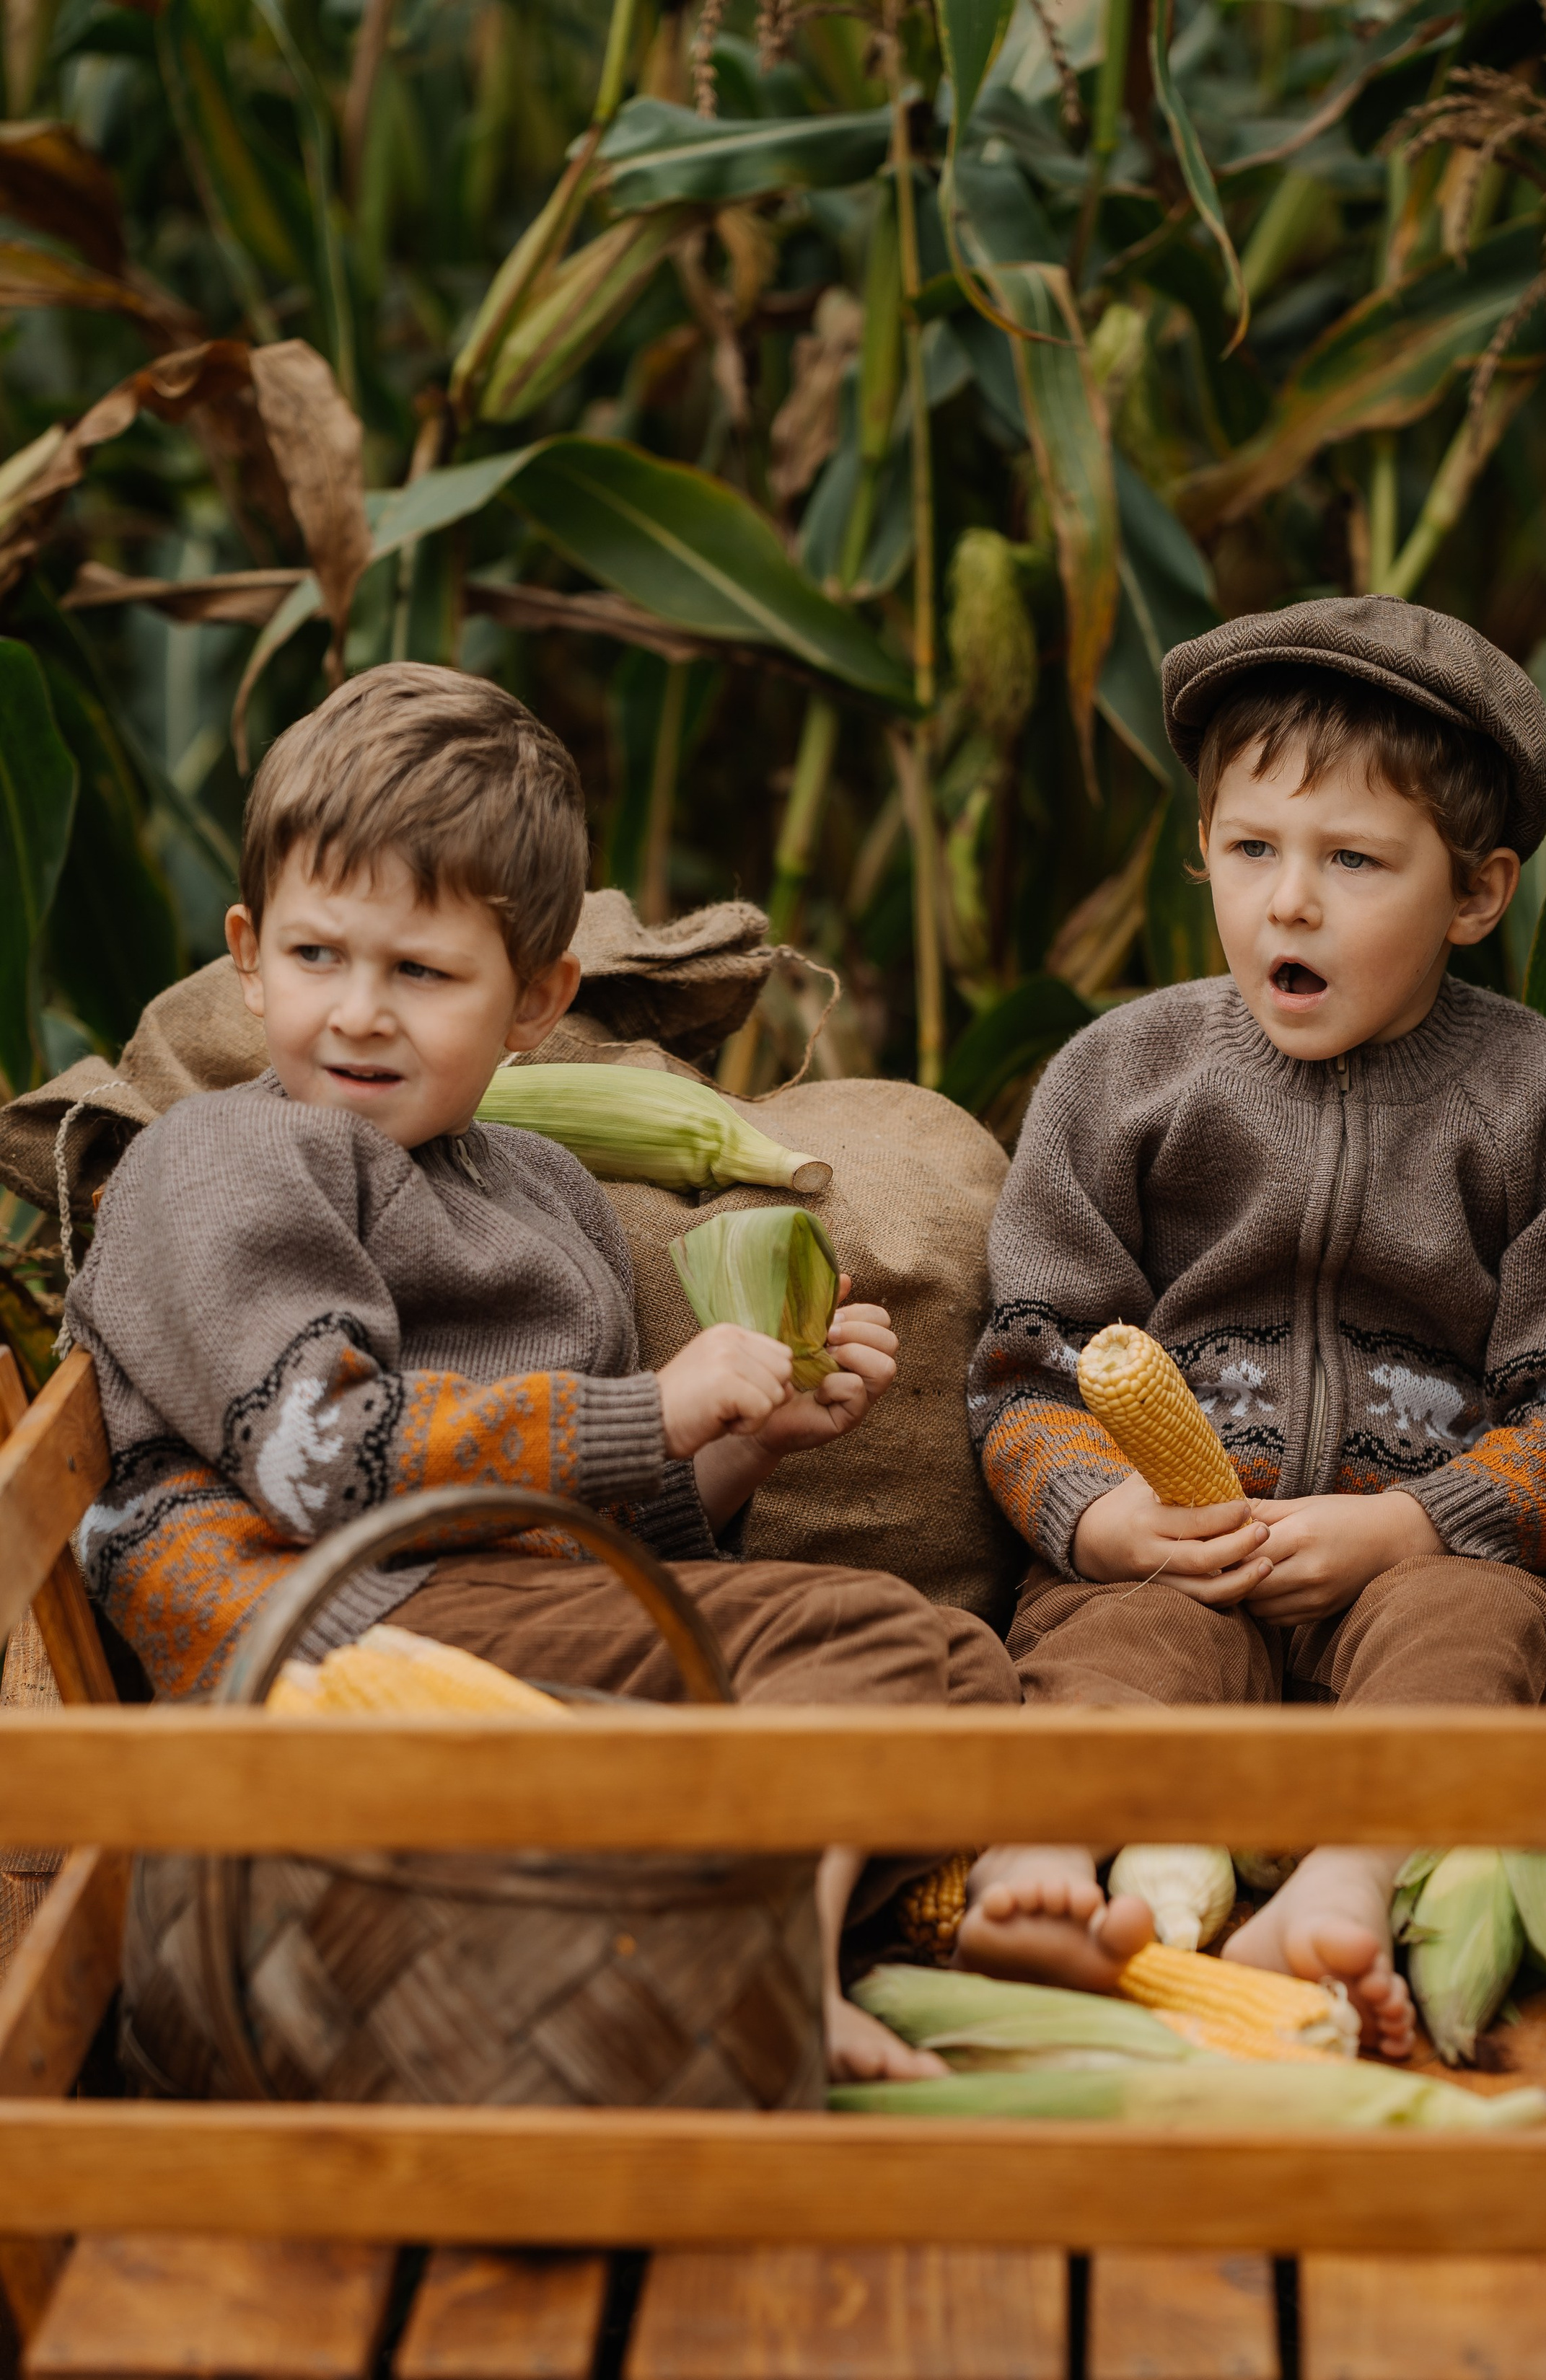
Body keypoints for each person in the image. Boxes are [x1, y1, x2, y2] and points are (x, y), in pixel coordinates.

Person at [63, 660, 1017, 2084]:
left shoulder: (542, 1192)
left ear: (534, 999)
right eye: (320, 956)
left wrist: (741, 1445)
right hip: (326, 1636)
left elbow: (607, 1538)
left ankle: (698, 1958)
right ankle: (761, 1983)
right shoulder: (222, 1159)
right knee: (867, 1646)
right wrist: (654, 1407)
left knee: (957, 1664)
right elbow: (313, 1458)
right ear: (250, 953)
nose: (361, 1012)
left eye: (424, 973)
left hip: (497, 1613)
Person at [964, 597, 1546, 2051]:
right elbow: (1024, 1369)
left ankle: (1338, 1884)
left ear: (1473, 894)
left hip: (1407, 1551)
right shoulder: (1123, 1080)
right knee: (1108, 1654)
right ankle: (1033, 1865)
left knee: (1475, 1637)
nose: (1288, 902)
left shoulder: (1543, 1115)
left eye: (1352, 861)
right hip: (1175, 1546)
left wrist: (1412, 1528)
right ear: (1203, 853)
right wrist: (1099, 1519)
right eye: (1251, 850)